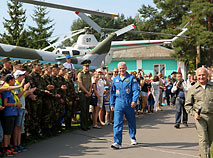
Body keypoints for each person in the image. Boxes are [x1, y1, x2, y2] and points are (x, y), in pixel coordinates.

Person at [185, 67, 213, 158]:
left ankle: (202, 154)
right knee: (203, 139)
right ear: (196, 76)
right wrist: (194, 113)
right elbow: (187, 105)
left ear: (207, 75)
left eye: (203, 75)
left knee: (210, 139)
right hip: (200, 117)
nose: (201, 77)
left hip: (212, 117)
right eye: (199, 75)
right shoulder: (192, 89)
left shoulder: (212, 86)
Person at [110, 62, 139, 149]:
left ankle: (132, 137)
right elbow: (112, 93)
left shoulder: (131, 78)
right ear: (118, 69)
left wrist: (134, 100)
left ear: (126, 68)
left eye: (123, 68)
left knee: (131, 121)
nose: (122, 70)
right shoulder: (115, 79)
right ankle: (117, 142)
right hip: (118, 102)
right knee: (117, 123)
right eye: (120, 69)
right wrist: (112, 103)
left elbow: (136, 90)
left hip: (129, 102)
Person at [78, 61, 92, 131]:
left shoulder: (89, 74)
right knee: (83, 110)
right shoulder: (80, 74)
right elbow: (80, 84)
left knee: (87, 110)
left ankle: (86, 125)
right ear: (83, 67)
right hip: (82, 93)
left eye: (88, 66)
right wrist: (86, 92)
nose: (87, 68)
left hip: (88, 93)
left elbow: (91, 84)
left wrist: (89, 92)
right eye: (86, 66)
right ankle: (83, 126)